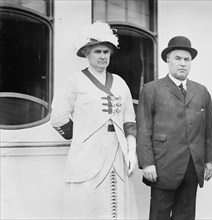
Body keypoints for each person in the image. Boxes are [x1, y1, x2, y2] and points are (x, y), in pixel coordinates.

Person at [50, 21, 138, 219]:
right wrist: (81, 135)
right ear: (86, 53)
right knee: (86, 204)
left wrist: (131, 150)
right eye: (97, 51)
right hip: (86, 153)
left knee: (114, 203)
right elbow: (58, 117)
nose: (102, 57)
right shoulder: (74, 80)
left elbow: (129, 119)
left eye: (106, 52)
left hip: (117, 150)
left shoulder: (120, 82)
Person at [137, 36, 212, 220]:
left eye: (186, 59)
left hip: (192, 166)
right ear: (168, 60)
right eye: (177, 58)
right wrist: (147, 163)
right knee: (159, 215)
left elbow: (209, 128)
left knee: (186, 215)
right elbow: (143, 129)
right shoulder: (152, 89)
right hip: (162, 165)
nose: (182, 64)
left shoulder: (201, 91)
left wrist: (211, 160)